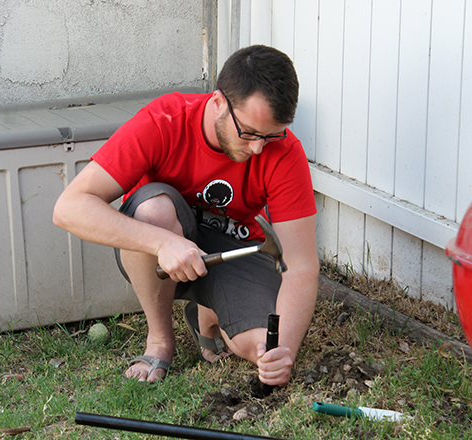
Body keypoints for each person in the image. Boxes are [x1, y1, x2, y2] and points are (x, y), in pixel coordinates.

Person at [53, 45, 319, 384]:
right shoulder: (165, 120)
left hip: (234, 248)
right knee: (155, 210)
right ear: (219, 102)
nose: (258, 149)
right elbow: (69, 207)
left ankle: (207, 315)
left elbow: (302, 266)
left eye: (270, 136)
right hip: (161, 244)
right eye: (249, 133)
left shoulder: (284, 152)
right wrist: (163, 242)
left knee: (258, 347)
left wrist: (283, 351)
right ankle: (160, 341)